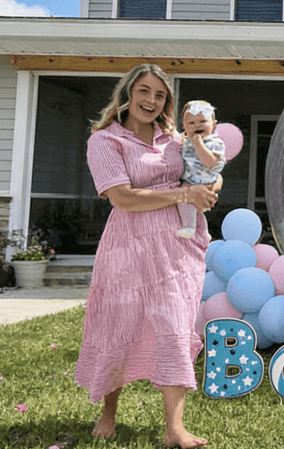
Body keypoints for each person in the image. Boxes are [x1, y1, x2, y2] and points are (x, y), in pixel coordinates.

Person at [74, 64, 219, 449]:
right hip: (128, 247)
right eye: (144, 91)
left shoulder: (173, 139)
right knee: (120, 325)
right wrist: (184, 195)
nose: (151, 101)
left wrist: (210, 184)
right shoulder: (105, 141)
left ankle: (175, 429)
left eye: (159, 95)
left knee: (174, 326)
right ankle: (108, 411)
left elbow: (204, 170)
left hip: (177, 247)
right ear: (127, 93)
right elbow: (121, 196)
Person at [176, 100, 226, 239]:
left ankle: (189, 227)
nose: (197, 125)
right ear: (184, 127)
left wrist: (198, 144)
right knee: (189, 207)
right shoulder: (185, 141)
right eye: (191, 123)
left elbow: (210, 163)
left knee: (186, 202)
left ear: (213, 124)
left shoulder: (215, 143)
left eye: (202, 121)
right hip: (189, 181)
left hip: (205, 182)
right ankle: (202, 234)